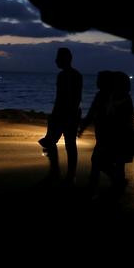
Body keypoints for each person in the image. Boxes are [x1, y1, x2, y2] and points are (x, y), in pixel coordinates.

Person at [38, 47, 83, 183]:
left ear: (64, 59)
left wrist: (58, 114)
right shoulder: (72, 75)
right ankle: (64, 173)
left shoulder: (68, 76)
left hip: (66, 114)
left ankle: (60, 172)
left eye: (58, 58)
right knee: (65, 144)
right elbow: (69, 98)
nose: (56, 61)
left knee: (58, 143)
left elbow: (67, 98)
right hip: (68, 114)